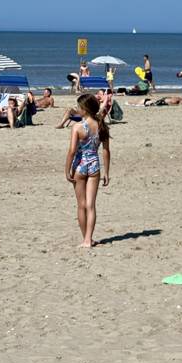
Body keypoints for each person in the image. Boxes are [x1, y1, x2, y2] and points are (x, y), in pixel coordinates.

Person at [64, 93, 111, 248]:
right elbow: (105, 150)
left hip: (80, 165)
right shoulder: (101, 125)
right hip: (94, 165)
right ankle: (88, 239)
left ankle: (85, 239)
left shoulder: (77, 127)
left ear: (85, 109)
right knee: (91, 205)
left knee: (81, 205)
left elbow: (71, 151)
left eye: (79, 107)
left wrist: (67, 170)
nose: (77, 109)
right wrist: (107, 172)